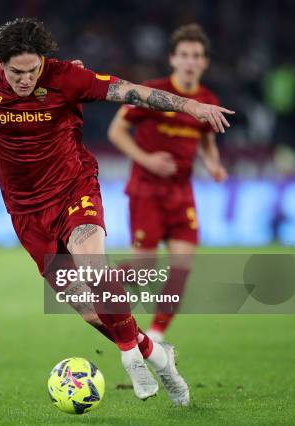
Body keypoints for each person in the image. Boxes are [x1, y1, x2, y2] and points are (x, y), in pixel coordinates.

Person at [0, 18, 234, 406]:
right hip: (26, 211)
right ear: (0, 64)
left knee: (93, 266)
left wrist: (192, 106)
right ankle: (155, 353)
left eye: (33, 70)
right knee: (88, 310)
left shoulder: (66, 77)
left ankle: (131, 356)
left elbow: (130, 92)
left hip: (73, 187)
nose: (26, 79)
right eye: (17, 72)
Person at [108, 24, 228, 343]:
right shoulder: (152, 92)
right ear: (173, 59)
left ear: (205, 63)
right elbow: (116, 131)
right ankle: (101, 282)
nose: (191, 62)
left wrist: (213, 163)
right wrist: (146, 159)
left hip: (181, 193)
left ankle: (157, 332)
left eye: (197, 56)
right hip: (146, 191)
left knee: (182, 267)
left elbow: (206, 140)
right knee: (142, 270)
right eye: (185, 55)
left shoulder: (206, 99)